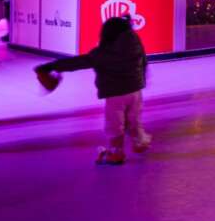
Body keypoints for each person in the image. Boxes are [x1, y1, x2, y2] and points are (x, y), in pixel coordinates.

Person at [34, 15, 150, 165]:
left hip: (115, 94)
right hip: (135, 90)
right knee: (134, 119)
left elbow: (79, 62)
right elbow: (144, 62)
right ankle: (140, 141)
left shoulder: (103, 52)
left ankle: (116, 152)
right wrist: (142, 79)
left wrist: (51, 66)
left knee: (114, 124)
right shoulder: (136, 43)